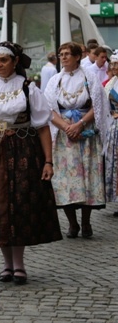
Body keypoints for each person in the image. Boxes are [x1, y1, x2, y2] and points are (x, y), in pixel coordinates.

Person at [0, 42, 62, 285]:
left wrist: (48, 161)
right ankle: (6, 264)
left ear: (15, 62)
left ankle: (19, 264)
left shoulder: (28, 88)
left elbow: (42, 127)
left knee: (18, 204)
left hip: (23, 151)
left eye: (4, 60)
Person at [43, 42, 111, 239]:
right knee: (66, 181)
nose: (63, 57)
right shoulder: (55, 80)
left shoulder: (89, 77)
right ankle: (72, 223)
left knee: (86, 177)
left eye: (67, 54)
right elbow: (48, 109)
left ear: (76, 57)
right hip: (64, 136)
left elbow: (97, 105)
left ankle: (86, 221)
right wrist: (66, 127)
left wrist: (79, 124)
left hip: (85, 134)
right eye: (61, 54)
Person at [104, 54, 118, 217]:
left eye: (116, 65)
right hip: (114, 127)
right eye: (112, 65)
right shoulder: (111, 83)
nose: (113, 68)